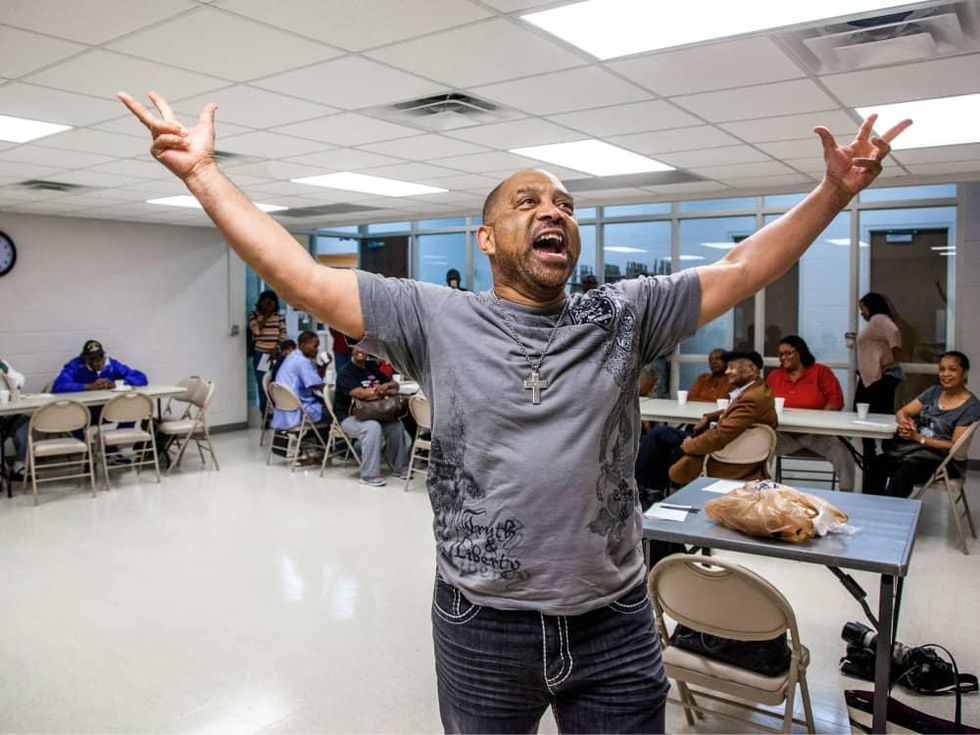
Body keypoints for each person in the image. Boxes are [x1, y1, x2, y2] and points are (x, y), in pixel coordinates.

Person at [119, 88, 908, 733]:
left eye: (564, 202)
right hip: (482, 622)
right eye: (527, 201)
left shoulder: (623, 314)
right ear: (488, 237)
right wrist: (204, 176)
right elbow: (299, 276)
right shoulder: (433, 315)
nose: (552, 210)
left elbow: (741, 266)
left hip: (615, 616)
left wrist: (835, 191)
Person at [636, 351, 776, 497]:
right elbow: (736, 414)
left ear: (751, 370)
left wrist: (691, 445)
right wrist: (710, 417)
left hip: (722, 455)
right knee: (661, 435)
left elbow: (719, 436)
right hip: (731, 447)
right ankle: (651, 491)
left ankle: (643, 489)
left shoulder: (751, 399)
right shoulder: (758, 391)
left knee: (658, 439)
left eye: (732, 367)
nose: (727, 372)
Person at [865, 351, 980, 498]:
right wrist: (905, 423)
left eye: (952, 369)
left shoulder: (971, 407)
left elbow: (953, 446)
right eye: (942, 369)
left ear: (965, 373)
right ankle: (872, 512)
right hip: (914, 451)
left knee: (903, 474)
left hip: (944, 462)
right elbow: (903, 412)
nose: (945, 374)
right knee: (875, 465)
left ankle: (891, 517)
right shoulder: (934, 392)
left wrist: (918, 438)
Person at [767, 334, 855, 490]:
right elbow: (765, 402)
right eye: (780, 354)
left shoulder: (821, 371)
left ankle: (847, 493)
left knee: (842, 448)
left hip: (817, 434)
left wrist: (816, 422)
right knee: (762, 442)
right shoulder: (775, 376)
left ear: (800, 352)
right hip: (786, 434)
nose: (783, 357)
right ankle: (759, 489)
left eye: (788, 353)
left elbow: (836, 401)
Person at [334, 348, 411, 487]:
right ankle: (369, 475)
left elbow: (395, 386)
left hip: (375, 414)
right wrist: (381, 392)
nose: (361, 351)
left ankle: (400, 468)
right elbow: (360, 394)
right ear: (351, 350)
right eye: (357, 348)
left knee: (395, 425)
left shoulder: (372, 367)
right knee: (372, 427)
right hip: (349, 417)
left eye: (364, 348)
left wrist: (386, 385)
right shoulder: (345, 372)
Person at [850, 292, 902, 462]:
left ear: (871, 307)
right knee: (865, 418)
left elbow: (894, 334)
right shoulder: (874, 323)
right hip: (870, 377)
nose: (861, 313)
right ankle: (870, 457)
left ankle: (875, 459)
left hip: (878, 378)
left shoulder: (879, 319)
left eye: (862, 308)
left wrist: (894, 358)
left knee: (871, 419)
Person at [270, 331, 326, 431]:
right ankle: (329, 445)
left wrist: (324, 366)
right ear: (303, 344)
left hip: (283, 410)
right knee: (336, 410)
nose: (317, 350)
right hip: (299, 409)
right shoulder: (302, 361)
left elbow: (314, 381)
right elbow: (318, 385)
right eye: (314, 346)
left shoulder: (292, 357)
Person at [52, 340, 147, 393]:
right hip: (83, 410)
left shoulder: (112, 365)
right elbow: (58, 386)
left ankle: (125, 429)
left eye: (100, 358)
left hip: (105, 408)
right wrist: (88, 386)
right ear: (86, 359)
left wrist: (115, 384)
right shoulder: (75, 365)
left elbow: (141, 378)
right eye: (93, 359)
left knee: (129, 405)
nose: (98, 363)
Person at [249, 290, 287, 416]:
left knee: (277, 384)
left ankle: (278, 411)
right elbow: (256, 331)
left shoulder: (279, 316)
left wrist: (276, 348)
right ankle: (265, 413)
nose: (269, 304)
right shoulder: (254, 315)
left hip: (276, 353)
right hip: (262, 354)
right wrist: (266, 315)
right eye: (266, 302)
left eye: (271, 302)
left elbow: (283, 334)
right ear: (260, 302)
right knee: (262, 384)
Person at [1, 357, 29, 481]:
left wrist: (6, 370)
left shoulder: (2, 364)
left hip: (6, 413)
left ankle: (19, 465)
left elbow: (19, 382)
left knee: (23, 421)